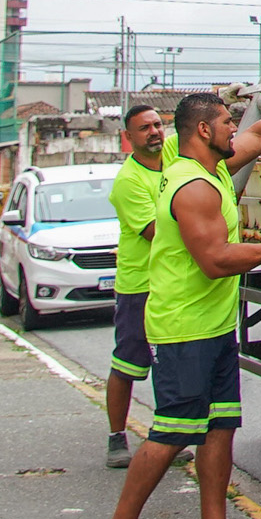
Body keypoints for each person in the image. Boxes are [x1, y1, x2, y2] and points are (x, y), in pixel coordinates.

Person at [88, 82, 261, 519]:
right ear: (204, 130)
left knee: (220, 426)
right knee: (174, 431)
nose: (234, 129)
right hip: (184, 329)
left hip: (213, 325)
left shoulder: (211, 164)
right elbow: (216, 260)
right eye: (227, 123)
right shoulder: (193, 186)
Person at [102, 102, 174, 470]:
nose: (154, 132)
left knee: (170, 362)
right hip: (139, 286)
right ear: (128, 138)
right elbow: (154, 232)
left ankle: (167, 436)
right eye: (144, 128)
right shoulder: (128, 181)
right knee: (128, 364)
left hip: (171, 284)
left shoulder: (173, 157)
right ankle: (117, 436)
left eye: (158, 124)